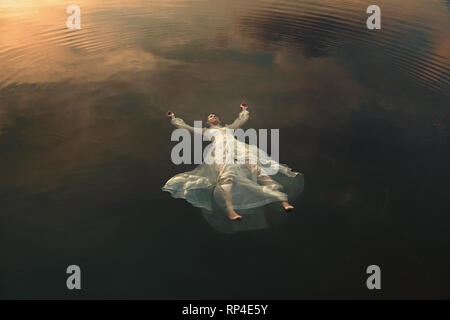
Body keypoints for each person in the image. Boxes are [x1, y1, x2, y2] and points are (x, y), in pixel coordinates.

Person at [162, 102, 302, 220]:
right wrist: (174, 118)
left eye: (215, 115)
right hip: (221, 151)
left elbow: (240, 121)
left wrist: (244, 110)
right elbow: (187, 128)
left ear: (219, 119)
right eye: (210, 116)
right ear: (208, 122)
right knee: (226, 176)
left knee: (259, 171)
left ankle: (283, 201)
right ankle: (230, 210)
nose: (213, 116)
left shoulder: (228, 128)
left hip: (238, 148)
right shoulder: (206, 131)